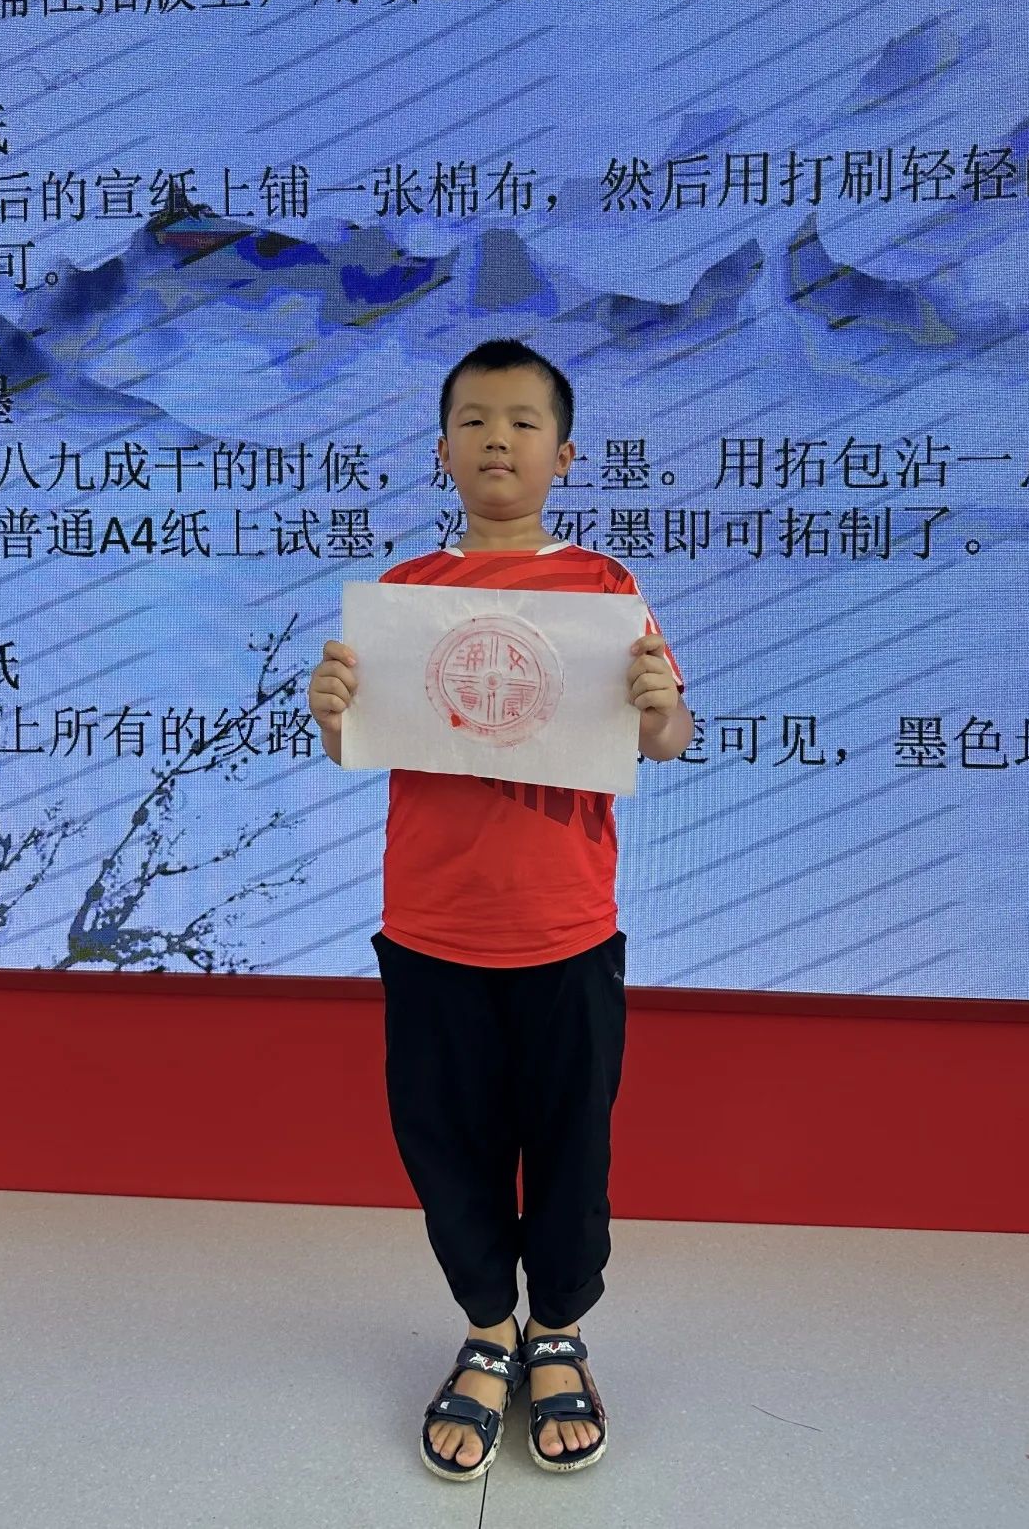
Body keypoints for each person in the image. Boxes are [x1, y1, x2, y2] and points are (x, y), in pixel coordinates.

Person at [308, 338, 692, 1482]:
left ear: (563, 455)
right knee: (446, 1140)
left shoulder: (606, 589)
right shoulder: (406, 595)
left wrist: (659, 707)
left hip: (567, 927)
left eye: (524, 421)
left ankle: (559, 1329)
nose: (498, 439)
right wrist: (332, 710)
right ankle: (488, 1329)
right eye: (474, 420)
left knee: (572, 1145)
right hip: (431, 926)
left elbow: (666, 738)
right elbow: (357, 741)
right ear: (442, 450)